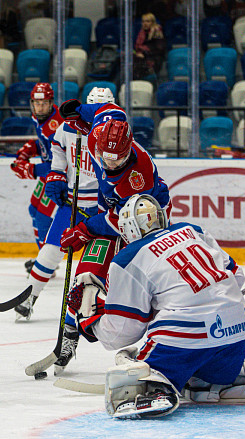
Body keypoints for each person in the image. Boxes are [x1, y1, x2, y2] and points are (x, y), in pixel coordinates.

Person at [68, 194, 245, 418]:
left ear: (127, 230)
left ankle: (156, 391)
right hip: (237, 332)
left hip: (185, 338)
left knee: (134, 364)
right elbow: (237, 278)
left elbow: (121, 334)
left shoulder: (127, 257)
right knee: (201, 376)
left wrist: (90, 322)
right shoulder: (193, 230)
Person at [52, 99, 173, 374]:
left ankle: (163, 339)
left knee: (143, 282)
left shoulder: (136, 178)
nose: (110, 162)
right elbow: (106, 108)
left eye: (117, 157)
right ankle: (70, 334)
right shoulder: (101, 132)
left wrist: (85, 229)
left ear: (129, 149)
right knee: (85, 275)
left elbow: (120, 221)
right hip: (110, 213)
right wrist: (78, 110)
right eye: (106, 156)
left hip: (143, 221)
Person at [14, 88, 115, 323]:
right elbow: (56, 152)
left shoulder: (115, 133)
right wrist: (56, 176)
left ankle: (107, 304)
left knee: (101, 263)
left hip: (103, 210)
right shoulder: (67, 128)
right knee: (49, 253)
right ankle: (29, 298)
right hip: (73, 206)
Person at [9, 82, 63, 279]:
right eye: (36, 104)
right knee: (34, 209)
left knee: (41, 216)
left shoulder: (56, 127)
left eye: (44, 104)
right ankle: (43, 258)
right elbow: (45, 147)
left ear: (51, 103)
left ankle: (45, 264)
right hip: (48, 173)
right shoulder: (40, 118)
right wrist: (29, 149)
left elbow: (62, 164)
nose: (39, 108)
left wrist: (31, 169)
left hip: (59, 177)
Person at [133, 13, 166, 80]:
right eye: (143, 21)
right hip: (141, 59)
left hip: (153, 60)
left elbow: (159, 50)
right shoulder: (142, 33)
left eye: (147, 21)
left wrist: (143, 54)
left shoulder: (157, 33)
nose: (145, 23)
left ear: (152, 22)